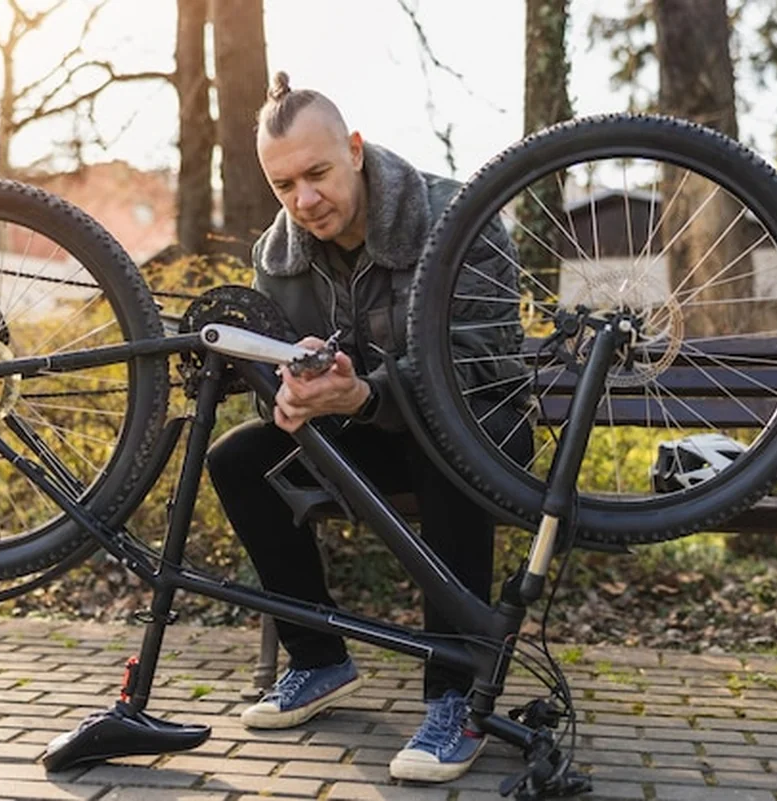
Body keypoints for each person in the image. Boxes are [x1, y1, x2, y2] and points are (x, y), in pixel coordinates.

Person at [206, 72, 531, 784]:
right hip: (366, 431)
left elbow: (483, 364)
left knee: (444, 447)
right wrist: (283, 398)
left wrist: (366, 395)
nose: (304, 201)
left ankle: (455, 698)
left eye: (317, 174)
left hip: (481, 425)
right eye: (284, 185)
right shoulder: (277, 253)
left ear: (354, 149)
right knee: (237, 460)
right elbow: (278, 368)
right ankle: (319, 658)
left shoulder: (456, 215)